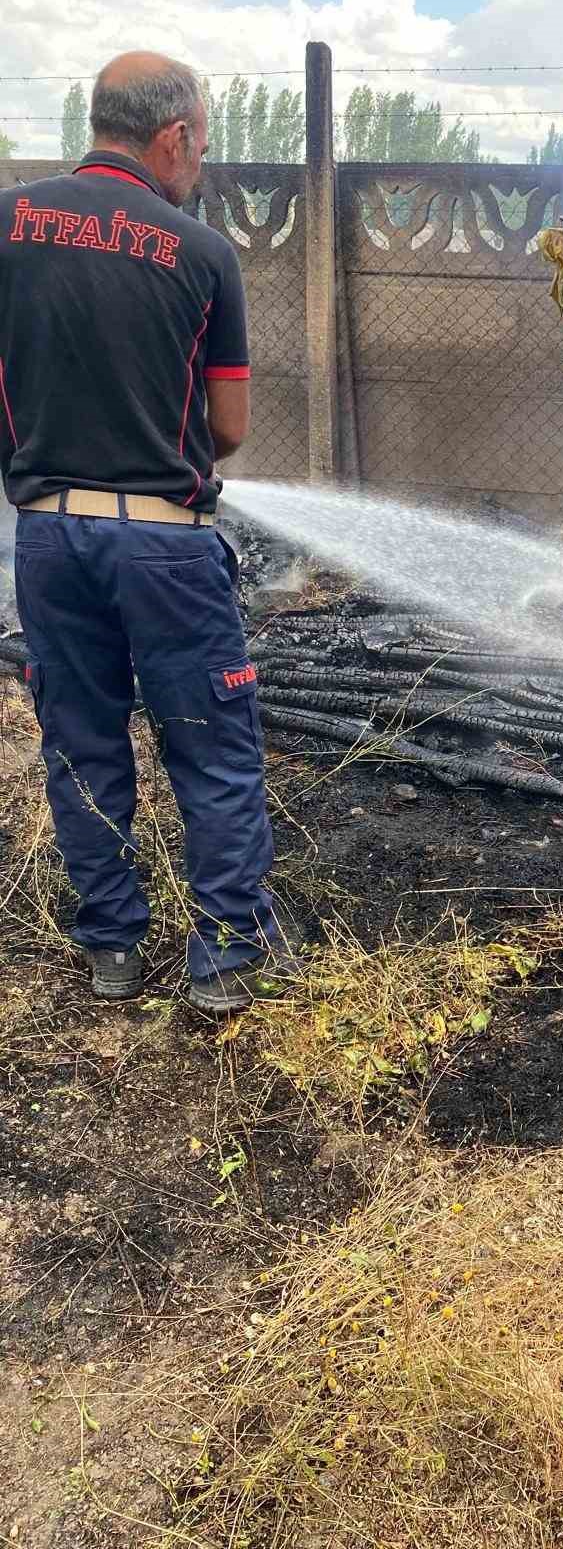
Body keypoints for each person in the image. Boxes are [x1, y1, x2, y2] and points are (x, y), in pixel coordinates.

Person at [0, 52, 291, 1016]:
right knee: (210, 745)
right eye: (201, 142)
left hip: (45, 543)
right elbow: (232, 428)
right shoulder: (200, 253)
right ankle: (226, 955)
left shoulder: (6, 224)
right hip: (164, 545)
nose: (200, 162)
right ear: (171, 136)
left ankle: (112, 950)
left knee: (81, 743)